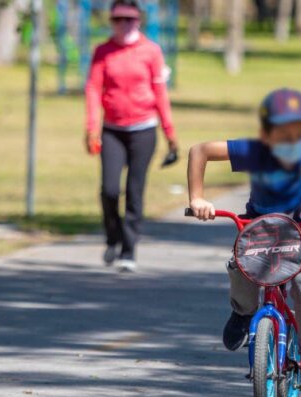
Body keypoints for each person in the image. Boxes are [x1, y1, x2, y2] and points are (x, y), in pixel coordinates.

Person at [186, 88, 301, 388]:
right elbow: (201, 151)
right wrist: (197, 198)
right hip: (260, 226)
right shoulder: (255, 150)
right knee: (241, 268)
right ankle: (243, 312)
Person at [85, 0, 178, 272]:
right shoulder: (103, 51)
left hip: (143, 130)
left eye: (129, 19)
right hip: (112, 129)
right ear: (111, 22)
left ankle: (129, 249)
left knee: (135, 192)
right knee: (110, 189)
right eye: (118, 20)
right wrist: (91, 127)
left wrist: (169, 132)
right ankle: (112, 236)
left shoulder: (151, 51)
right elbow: (93, 88)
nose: (123, 25)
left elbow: (160, 93)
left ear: (138, 21)